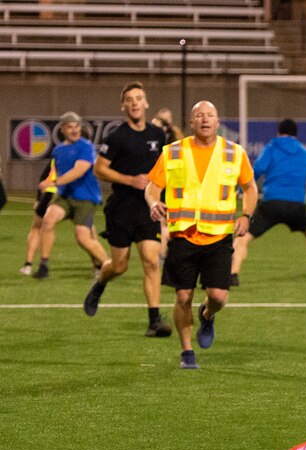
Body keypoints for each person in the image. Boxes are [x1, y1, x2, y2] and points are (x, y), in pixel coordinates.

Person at [144, 100, 257, 370]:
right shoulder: (173, 152)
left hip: (218, 237)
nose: (205, 119)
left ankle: (206, 315)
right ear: (191, 123)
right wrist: (153, 203)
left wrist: (245, 215)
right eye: (199, 116)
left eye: (210, 115)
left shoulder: (234, 152)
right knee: (182, 296)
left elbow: (250, 188)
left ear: (217, 122)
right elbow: (151, 187)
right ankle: (187, 351)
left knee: (218, 297)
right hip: (182, 236)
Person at [82, 82, 172, 337]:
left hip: (147, 209)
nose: (134, 103)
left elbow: (163, 169)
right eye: (130, 99)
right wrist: (131, 180)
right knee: (119, 266)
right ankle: (100, 282)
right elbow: (100, 169)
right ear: (123, 106)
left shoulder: (158, 135)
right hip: (121, 208)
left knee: (151, 261)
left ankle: (154, 321)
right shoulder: (116, 136)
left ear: (146, 103)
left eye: (139, 98)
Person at [229, 118, 306, 286]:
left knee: (243, 237)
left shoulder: (271, 149)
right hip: (296, 206)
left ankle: (233, 274)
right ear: (295, 135)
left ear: (279, 132)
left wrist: (241, 189)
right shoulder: (305, 152)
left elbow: (257, 170)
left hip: (271, 204)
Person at [35, 112, 109, 280]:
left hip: (86, 197)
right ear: (62, 129)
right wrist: (46, 183)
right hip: (65, 196)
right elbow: (56, 172)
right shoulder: (58, 150)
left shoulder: (86, 147)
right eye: (70, 127)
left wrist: (53, 184)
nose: (74, 130)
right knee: (47, 220)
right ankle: (43, 265)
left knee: (83, 237)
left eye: (77, 127)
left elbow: (79, 171)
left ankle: (106, 265)